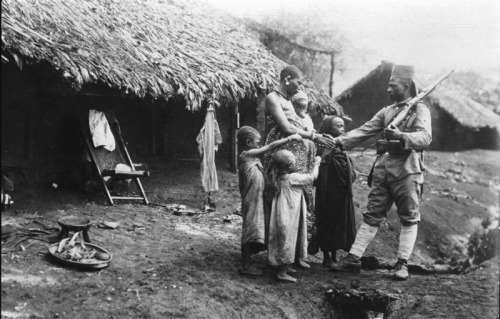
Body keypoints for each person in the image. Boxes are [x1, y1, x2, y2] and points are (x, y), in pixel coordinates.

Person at [330, 64, 432, 281]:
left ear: (406, 86)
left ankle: (402, 263)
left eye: (392, 86)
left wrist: (402, 136)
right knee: (372, 213)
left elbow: (425, 138)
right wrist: (338, 141)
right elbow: (365, 130)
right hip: (383, 170)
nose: (388, 90)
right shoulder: (388, 111)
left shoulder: (420, 110)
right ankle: (354, 258)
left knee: (409, 217)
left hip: (407, 172)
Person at [263, 65, 336, 268]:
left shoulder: (288, 101)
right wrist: (314, 136)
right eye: (298, 81)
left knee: (300, 204)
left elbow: (301, 126)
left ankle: (296, 254)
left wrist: (316, 138)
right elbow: (285, 128)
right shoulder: (273, 98)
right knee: (282, 208)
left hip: (298, 160)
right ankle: (278, 257)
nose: (300, 86)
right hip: (281, 158)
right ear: (287, 79)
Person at [237, 126, 302, 276]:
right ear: (248, 142)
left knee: (258, 228)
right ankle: (245, 266)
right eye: (257, 142)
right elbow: (270, 147)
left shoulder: (254, 159)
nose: (259, 146)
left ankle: (257, 261)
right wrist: (289, 138)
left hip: (258, 200)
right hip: (251, 201)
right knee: (250, 229)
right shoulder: (246, 155)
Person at [267, 150, 321, 282]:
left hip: (284, 213)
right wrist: (317, 164)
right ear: (290, 165)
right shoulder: (293, 177)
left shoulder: (278, 176)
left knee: (286, 238)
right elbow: (312, 177)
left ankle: (286, 266)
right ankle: (281, 272)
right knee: (287, 240)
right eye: (296, 162)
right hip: (289, 215)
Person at [313, 116, 357, 268]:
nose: (342, 129)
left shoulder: (341, 146)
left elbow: (348, 167)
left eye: (343, 126)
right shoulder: (323, 147)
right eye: (339, 126)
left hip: (342, 191)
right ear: (328, 128)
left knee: (341, 221)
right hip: (328, 191)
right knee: (327, 219)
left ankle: (335, 254)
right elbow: (321, 170)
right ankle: (326, 256)